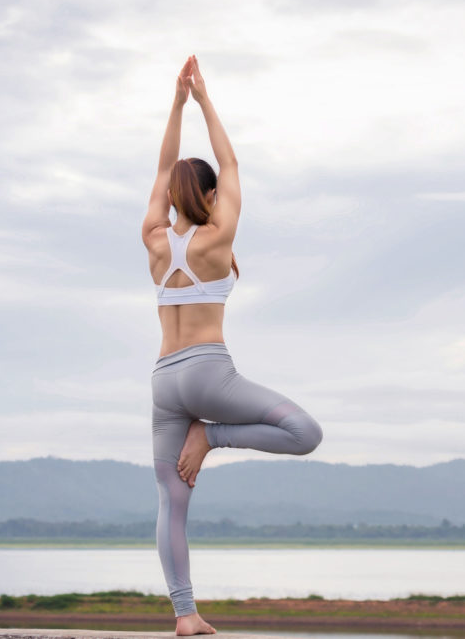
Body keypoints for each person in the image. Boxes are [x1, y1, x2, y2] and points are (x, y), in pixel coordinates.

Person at [141, 55, 324, 636]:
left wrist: (175, 104)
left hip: (164, 380)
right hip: (207, 374)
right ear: (212, 194)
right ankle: (213, 437)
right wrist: (202, 99)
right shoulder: (217, 238)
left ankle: (185, 615)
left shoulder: (154, 238)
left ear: (172, 197)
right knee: (304, 432)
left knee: (172, 501)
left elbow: (165, 165)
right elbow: (230, 162)